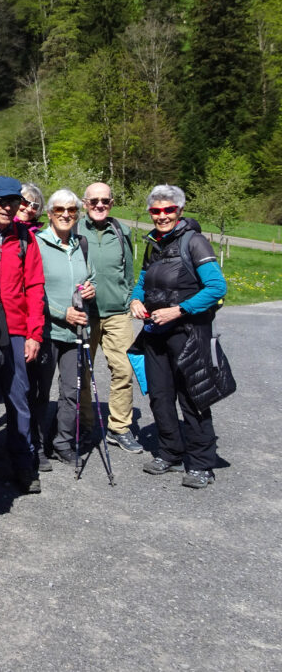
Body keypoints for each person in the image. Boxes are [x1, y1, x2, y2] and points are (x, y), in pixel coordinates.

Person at [130, 185, 227, 489]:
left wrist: (179, 310)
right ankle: (170, 452)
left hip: (187, 332)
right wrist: (135, 300)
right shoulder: (153, 244)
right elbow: (143, 282)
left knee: (192, 397)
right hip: (156, 334)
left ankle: (201, 463)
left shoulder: (194, 242)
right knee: (159, 394)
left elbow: (216, 288)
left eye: (168, 210)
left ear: (180, 211)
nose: (162, 216)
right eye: (156, 211)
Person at [0, 176, 46, 494]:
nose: (8, 207)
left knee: (18, 399)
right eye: (2, 200)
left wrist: (34, 334)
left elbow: (35, 286)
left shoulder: (25, 238)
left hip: (18, 328)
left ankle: (24, 463)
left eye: (14, 201)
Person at [32, 190, 97, 465]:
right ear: (49, 214)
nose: (66, 214)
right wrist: (62, 313)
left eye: (71, 210)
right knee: (39, 391)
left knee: (71, 391)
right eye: (59, 209)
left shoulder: (80, 243)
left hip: (76, 334)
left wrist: (91, 288)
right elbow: (34, 290)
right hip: (46, 331)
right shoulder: (37, 243)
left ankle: (62, 442)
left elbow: (89, 275)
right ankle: (33, 445)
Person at [80, 182, 141, 453]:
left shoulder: (122, 231)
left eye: (105, 201)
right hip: (85, 314)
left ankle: (119, 427)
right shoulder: (75, 229)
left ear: (112, 203)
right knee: (82, 371)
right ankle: (84, 424)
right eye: (94, 201)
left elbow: (128, 272)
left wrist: (127, 300)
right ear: (85, 204)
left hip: (117, 314)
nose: (99, 205)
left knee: (124, 370)